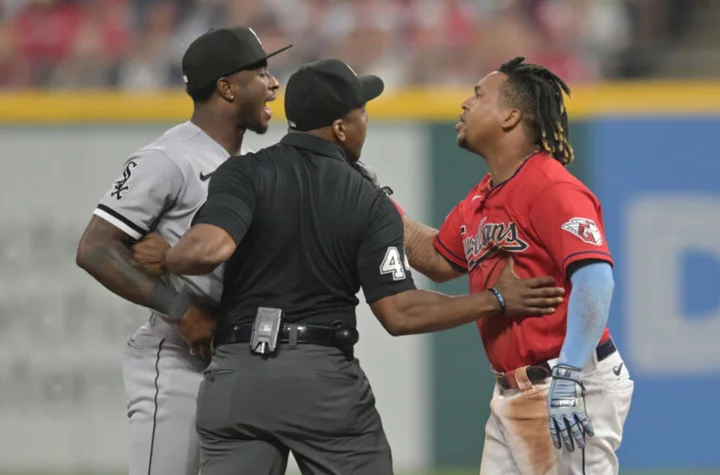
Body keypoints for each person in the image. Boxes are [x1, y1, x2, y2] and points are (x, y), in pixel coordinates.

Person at [131, 58, 565, 475]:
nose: (364, 123)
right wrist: (495, 300)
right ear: (340, 128)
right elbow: (400, 312)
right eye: (362, 114)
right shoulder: (366, 200)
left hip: (237, 378)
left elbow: (208, 248)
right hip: (319, 383)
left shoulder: (241, 174)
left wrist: (166, 256)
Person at [394, 57, 634, 474]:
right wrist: (376, 203)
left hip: (566, 381)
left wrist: (569, 375)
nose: (466, 104)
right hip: (513, 392)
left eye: (479, 95)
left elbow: (597, 281)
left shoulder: (550, 186)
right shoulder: (482, 198)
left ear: (511, 115)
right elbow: (436, 259)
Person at [74, 27, 289, 475]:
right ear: (227, 87)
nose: (273, 84)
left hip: (235, 357)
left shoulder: (244, 165)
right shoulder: (169, 157)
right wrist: (182, 309)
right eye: (261, 73)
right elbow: (95, 248)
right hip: (177, 357)